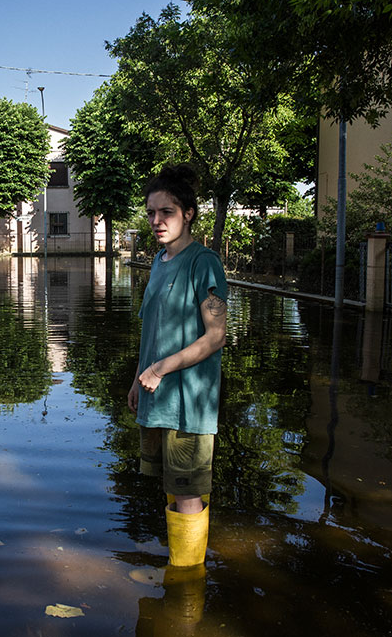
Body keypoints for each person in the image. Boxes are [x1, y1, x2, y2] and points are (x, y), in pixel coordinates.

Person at [127, 164, 227, 568]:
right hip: (156, 394)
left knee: (187, 491)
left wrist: (159, 369)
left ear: (187, 213)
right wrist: (138, 377)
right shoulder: (157, 261)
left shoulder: (203, 262)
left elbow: (215, 335)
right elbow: (150, 329)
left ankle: (187, 582)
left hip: (189, 400)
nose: (155, 221)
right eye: (151, 212)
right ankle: (178, 571)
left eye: (165, 212)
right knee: (171, 485)